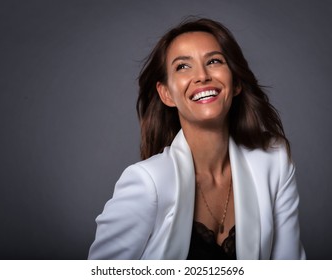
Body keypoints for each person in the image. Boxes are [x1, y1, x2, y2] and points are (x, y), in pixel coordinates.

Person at [88, 17, 305, 260]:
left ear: (235, 83)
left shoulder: (273, 160)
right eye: (182, 66)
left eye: (214, 61)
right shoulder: (147, 182)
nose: (202, 76)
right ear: (167, 94)